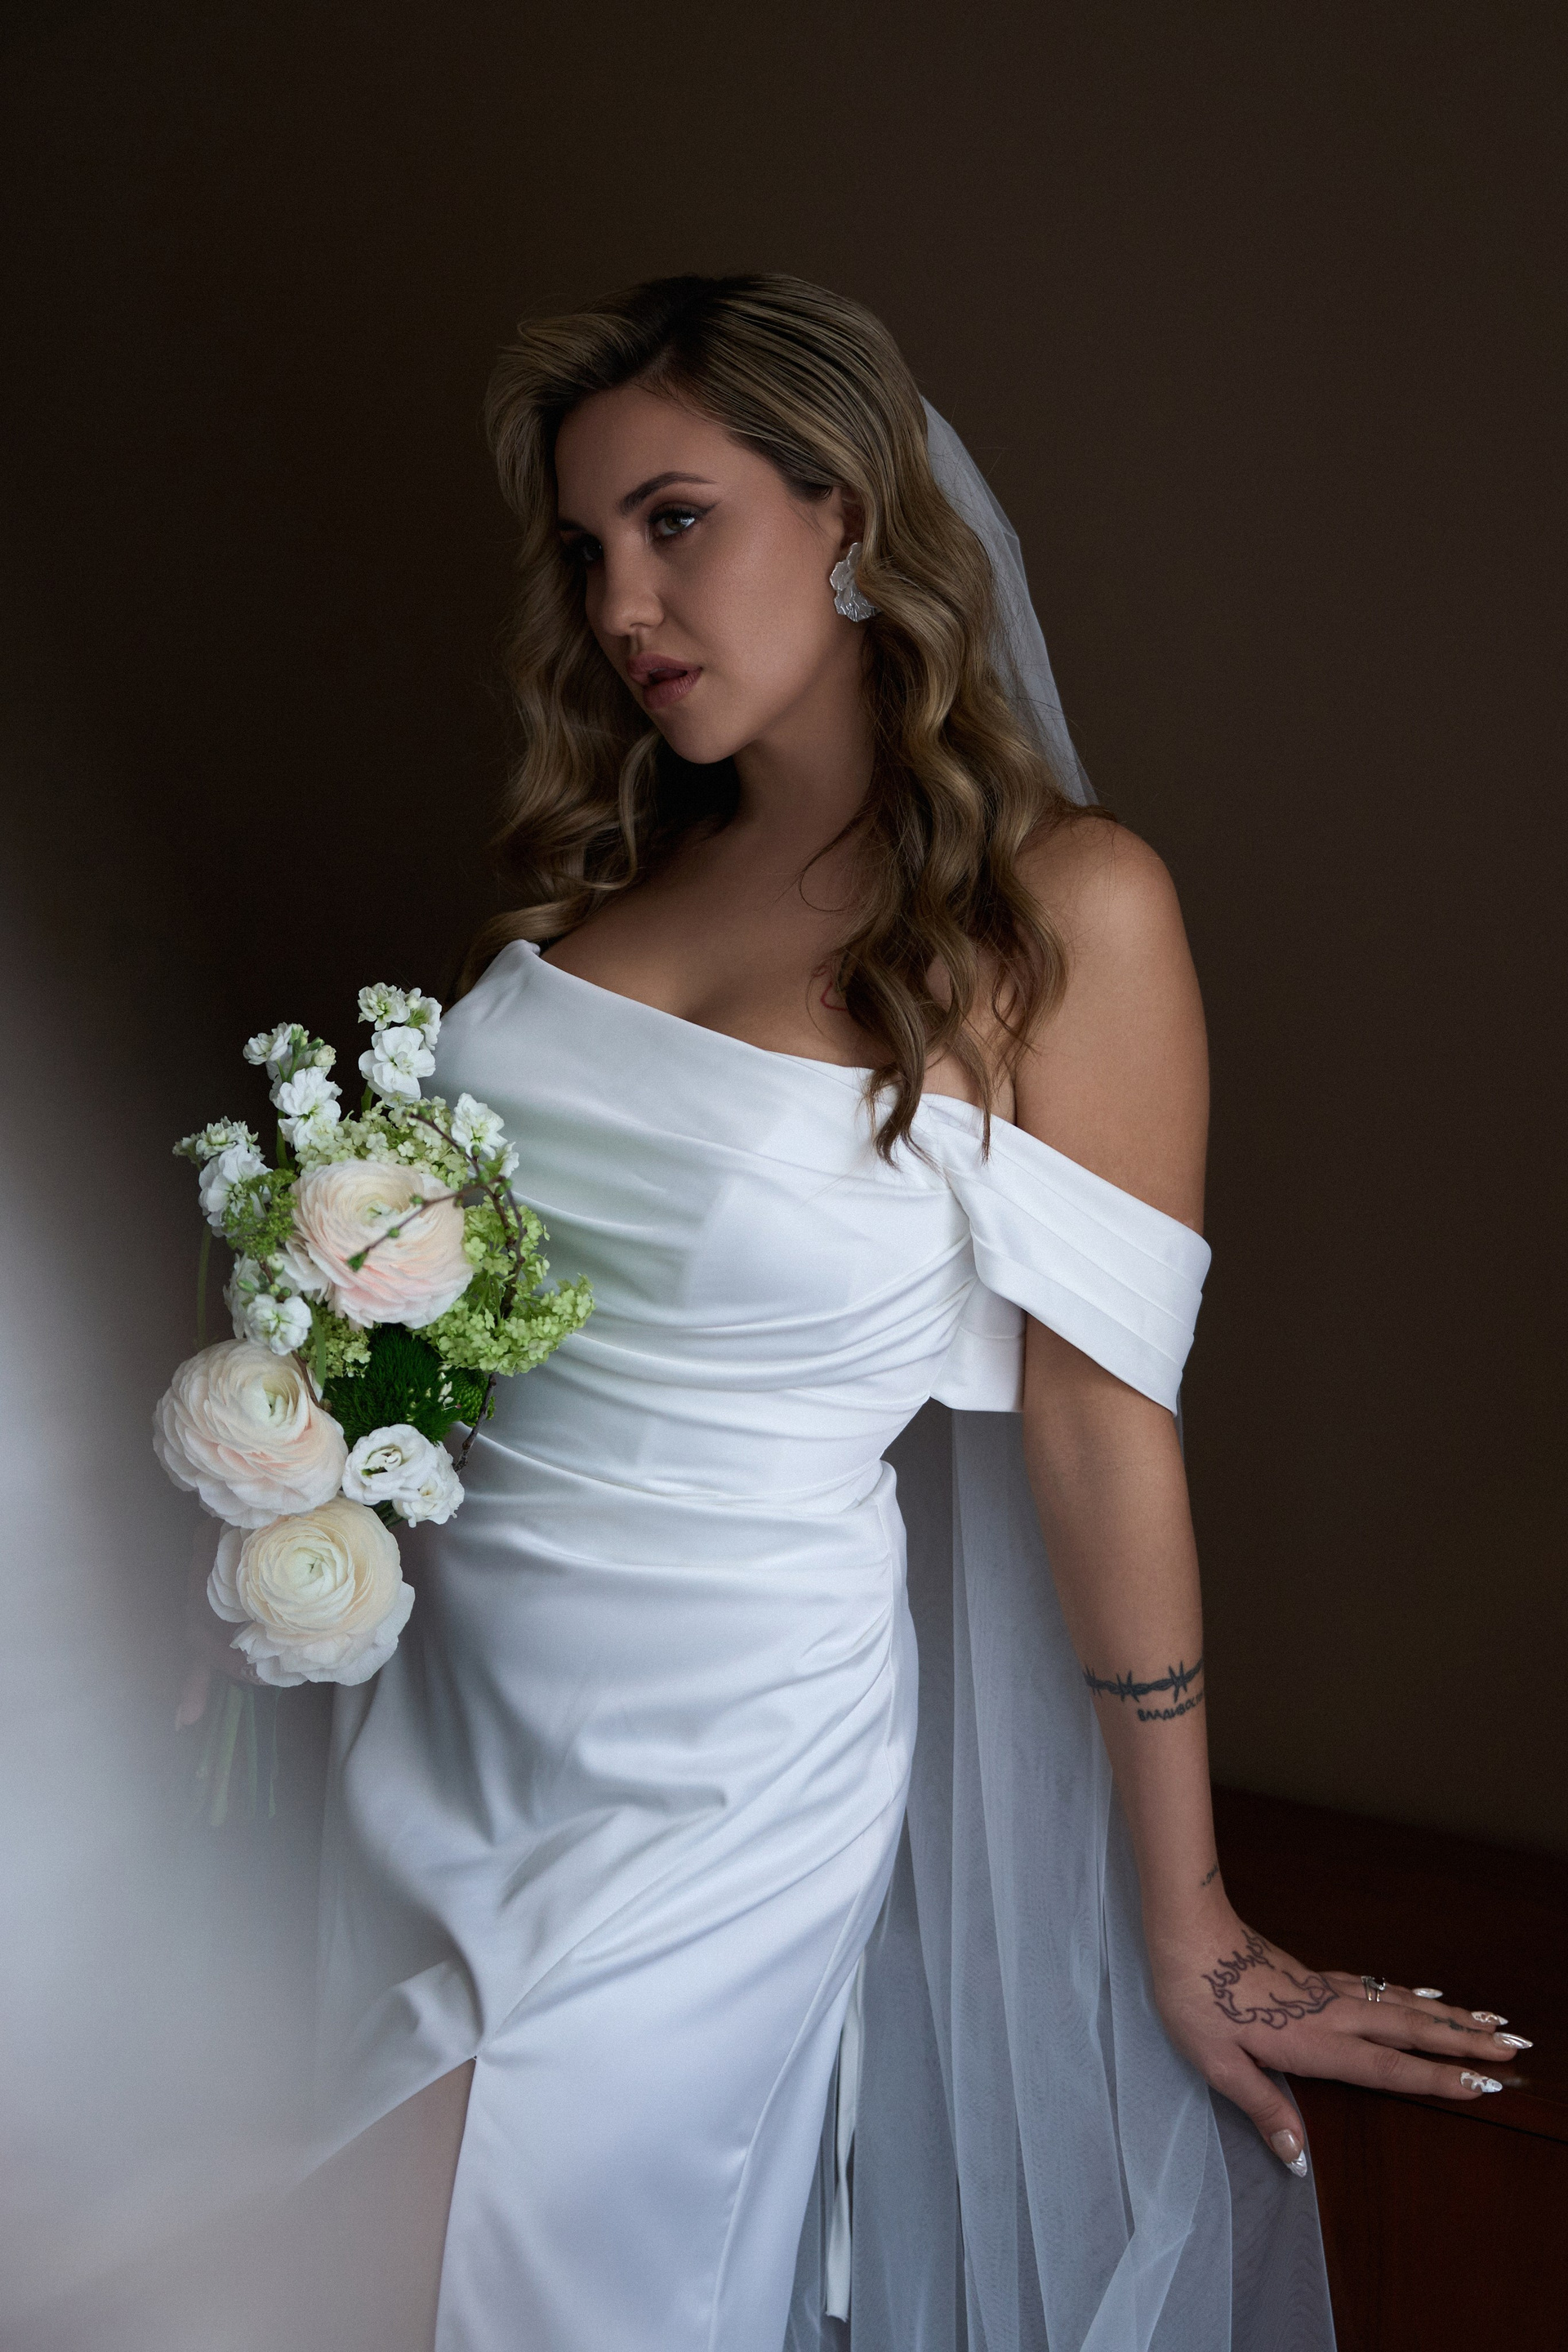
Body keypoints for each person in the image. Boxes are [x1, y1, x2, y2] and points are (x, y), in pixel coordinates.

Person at [192, 274, 1522, 2352]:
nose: (623, 601)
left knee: (512, 2273)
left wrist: (1184, 1914)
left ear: (851, 513)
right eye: (588, 547)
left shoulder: (1064, 912)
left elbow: (1100, 1426)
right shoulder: (610, 884)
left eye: (676, 520)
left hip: (723, 1746)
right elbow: (458, 1332)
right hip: (440, 1699)